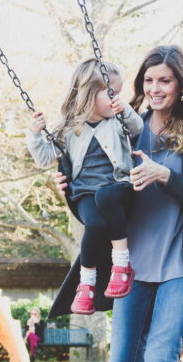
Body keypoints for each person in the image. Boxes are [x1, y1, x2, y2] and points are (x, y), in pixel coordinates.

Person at [51, 45, 183, 362]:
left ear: (182, 85)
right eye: (148, 80)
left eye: (165, 80)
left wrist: (165, 175)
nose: (155, 88)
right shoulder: (125, 127)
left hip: (179, 265)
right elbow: (98, 210)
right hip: (129, 267)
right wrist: (69, 192)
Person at [26, 59, 143, 314]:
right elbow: (45, 157)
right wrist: (35, 134)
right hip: (85, 193)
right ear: (90, 94)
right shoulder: (69, 129)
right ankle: (86, 284)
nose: (116, 99)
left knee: (108, 196)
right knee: (96, 224)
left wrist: (125, 109)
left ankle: (122, 265)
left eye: (118, 94)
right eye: (111, 93)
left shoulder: (117, 121)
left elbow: (137, 127)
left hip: (118, 185)